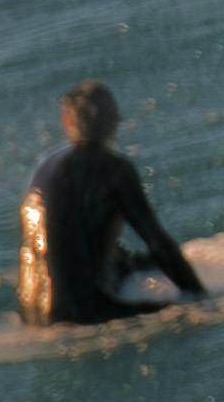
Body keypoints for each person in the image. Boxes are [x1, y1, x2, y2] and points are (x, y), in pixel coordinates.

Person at [18, 82, 206, 324]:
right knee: (181, 311)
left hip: (33, 316)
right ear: (113, 123)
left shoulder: (44, 167)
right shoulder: (113, 169)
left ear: (66, 122)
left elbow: (66, 236)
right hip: (84, 315)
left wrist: (127, 263)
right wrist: (201, 297)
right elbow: (158, 242)